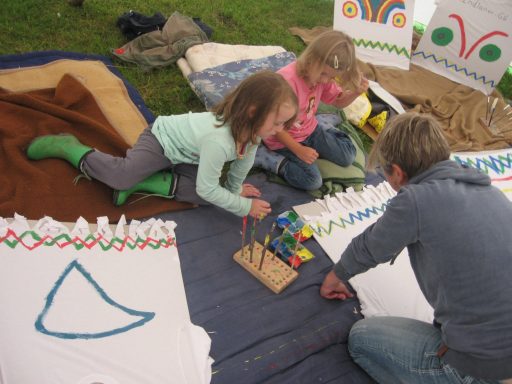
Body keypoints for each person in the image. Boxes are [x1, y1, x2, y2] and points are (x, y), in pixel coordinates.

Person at [320, 112, 512, 383]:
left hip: (480, 368)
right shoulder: (487, 190)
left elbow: (371, 246)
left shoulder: (417, 199)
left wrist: (335, 276)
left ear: (397, 173)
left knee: (362, 339)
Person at [26, 71, 298, 218]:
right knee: (121, 176)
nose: (279, 131)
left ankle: (145, 182)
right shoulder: (219, 140)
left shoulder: (252, 133)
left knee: (206, 198)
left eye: (284, 124)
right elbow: (208, 186)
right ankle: (70, 147)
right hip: (162, 141)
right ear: (252, 112)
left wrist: (235, 189)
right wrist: (243, 207)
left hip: (188, 157)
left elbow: (243, 162)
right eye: (277, 123)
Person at [256, 30, 369, 191]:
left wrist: (356, 92)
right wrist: (298, 150)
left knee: (348, 156)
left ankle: (326, 126)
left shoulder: (322, 77)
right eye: (323, 74)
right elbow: (274, 127)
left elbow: (337, 102)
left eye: (331, 78)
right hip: (282, 137)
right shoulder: (286, 82)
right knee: (312, 181)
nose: (325, 80)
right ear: (312, 59)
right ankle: (268, 158)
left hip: (310, 128)